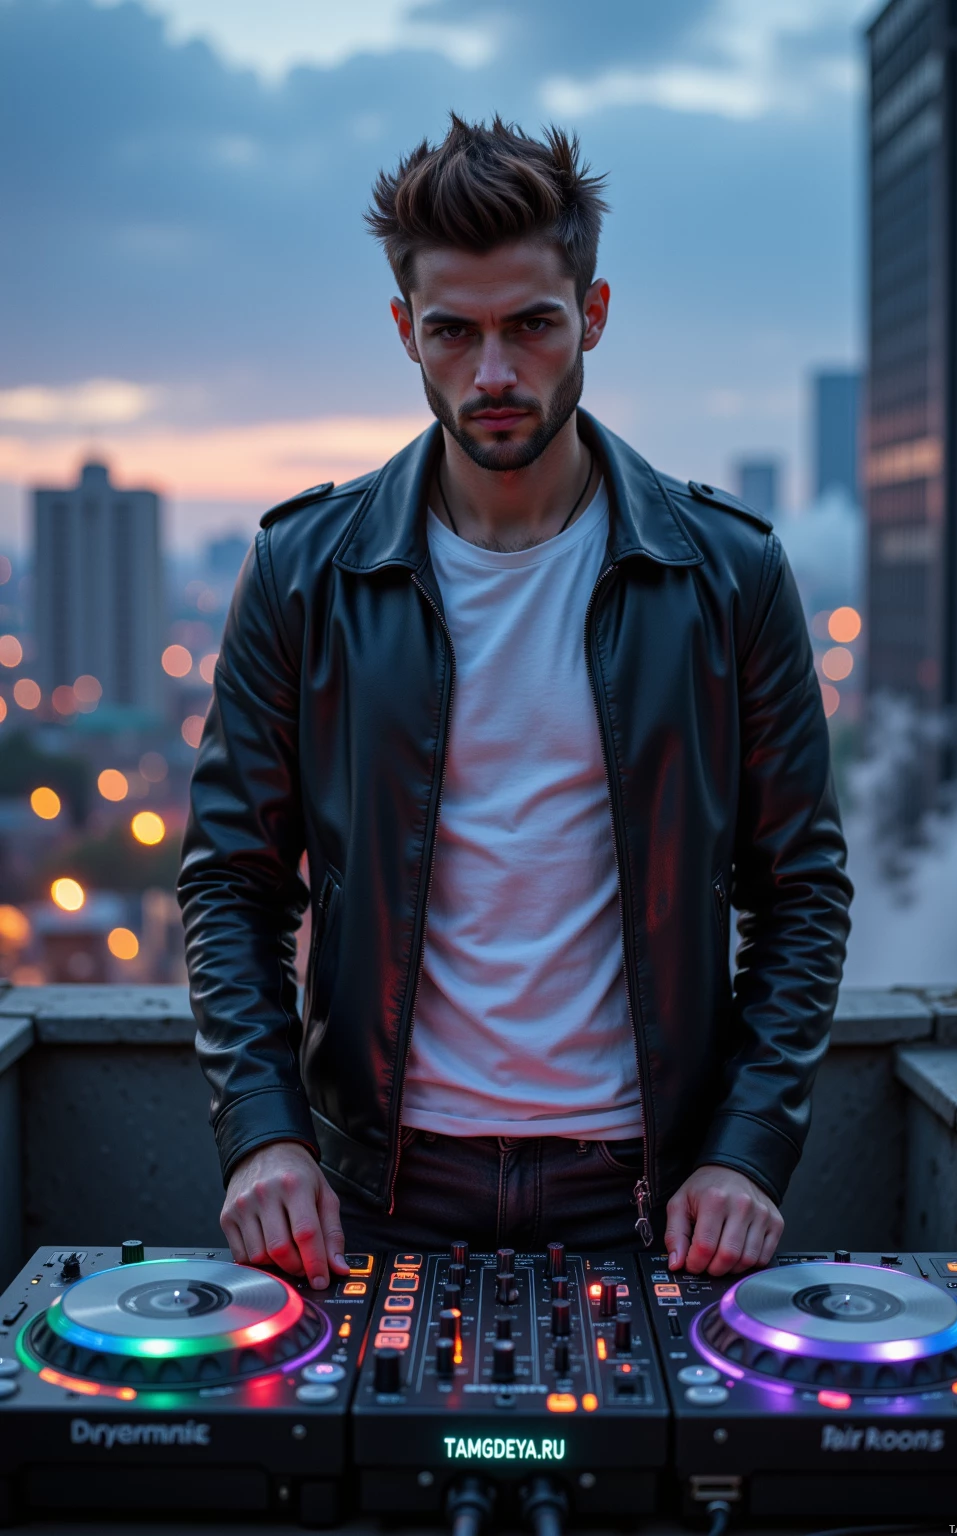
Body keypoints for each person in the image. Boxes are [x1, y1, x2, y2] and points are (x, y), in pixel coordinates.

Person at [177, 115, 852, 1293]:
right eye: (454, 332)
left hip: (649, 1198)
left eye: (531, 325)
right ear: (406, 333)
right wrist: (263, 1132)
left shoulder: (727, 572)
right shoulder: (304, 569)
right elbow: (231, 880)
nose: (494, 375)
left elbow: (799, 892)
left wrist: (747, 1154)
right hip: (368, 1197)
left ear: (591, 314)